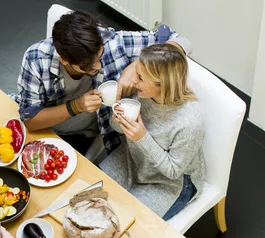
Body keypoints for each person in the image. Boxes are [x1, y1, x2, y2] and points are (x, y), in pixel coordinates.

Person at [14, 10, 192, 155]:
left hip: (91, 137)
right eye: (87, 66)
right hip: (48, 131)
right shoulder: (36, 59)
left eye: (100, 57)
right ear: (64, 61)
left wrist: (136, 65)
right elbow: (30, 120)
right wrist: (76, 106)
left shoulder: (110, 41)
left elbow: (181, 40)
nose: (98, 67)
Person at [99, 43, 205, 220]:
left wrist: (142, 138)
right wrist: (118, 121)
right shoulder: (142, 93)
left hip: (171, 183)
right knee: (90, 193)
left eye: (140, 77)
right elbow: (119, 129)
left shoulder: (189, 122)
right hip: (134, 160)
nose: (133, 81)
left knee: (126, 223)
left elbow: (173, 171)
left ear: (161, 84)